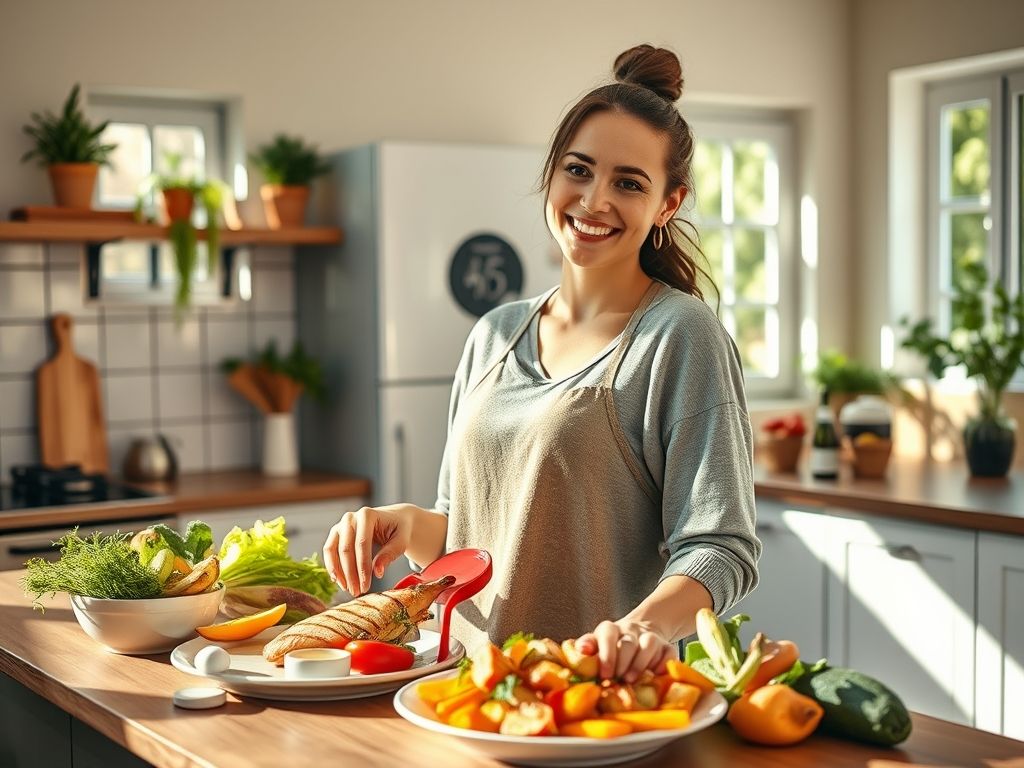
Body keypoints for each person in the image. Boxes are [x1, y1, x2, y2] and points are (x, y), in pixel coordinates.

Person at [324, 44, 760, 684]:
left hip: (592, 700)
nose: (594, 200)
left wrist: (645, 627)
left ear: (669, 203)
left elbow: (721, 547)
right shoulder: (495, 333)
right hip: (461, 692)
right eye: (578, 170)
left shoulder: (680, 337)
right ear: (553, 174)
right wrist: (404, 524)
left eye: (629, 183)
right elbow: (468, 542)